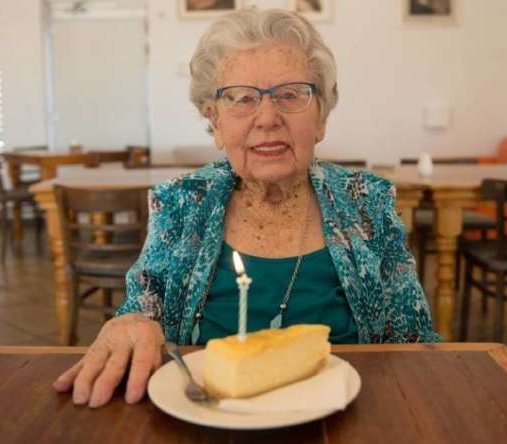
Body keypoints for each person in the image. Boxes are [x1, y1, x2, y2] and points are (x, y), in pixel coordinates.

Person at [54, 8, 440, 408]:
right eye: (241, 99)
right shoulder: (182, 203)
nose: (268, 118)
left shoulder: (368, 203)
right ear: (215, 122)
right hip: (207, 419)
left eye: (291, 95)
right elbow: (142, 308)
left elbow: (415, 341)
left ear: (321, 118)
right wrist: (131, 324)